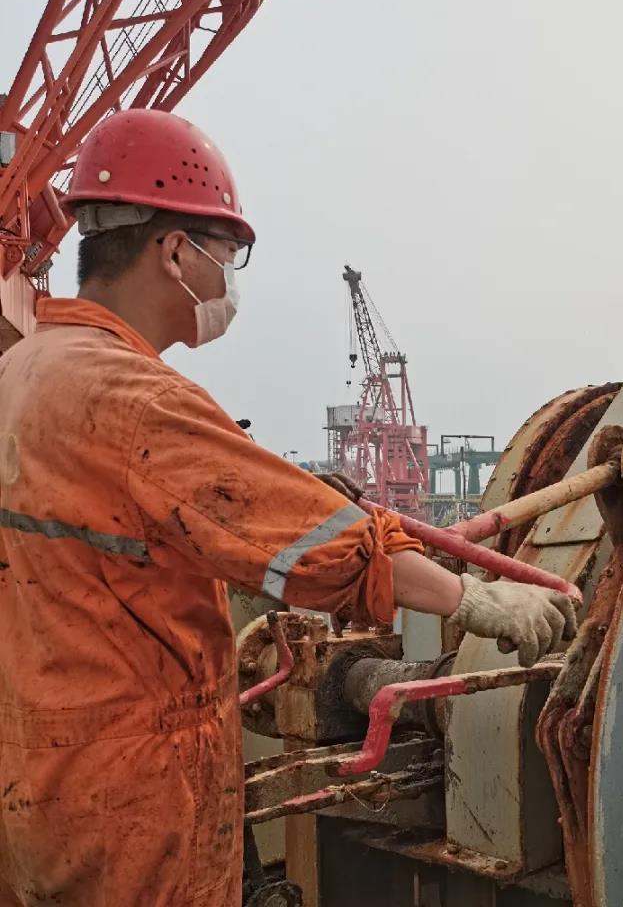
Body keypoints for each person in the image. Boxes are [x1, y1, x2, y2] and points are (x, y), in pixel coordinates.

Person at [0, 109, 577, 906]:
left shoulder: (25, 369)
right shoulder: (132, 399)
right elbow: (321, 546)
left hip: (41, 787)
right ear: (174, 251)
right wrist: (478, 599)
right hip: (133, 820)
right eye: (226, 253)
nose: (229, 280)